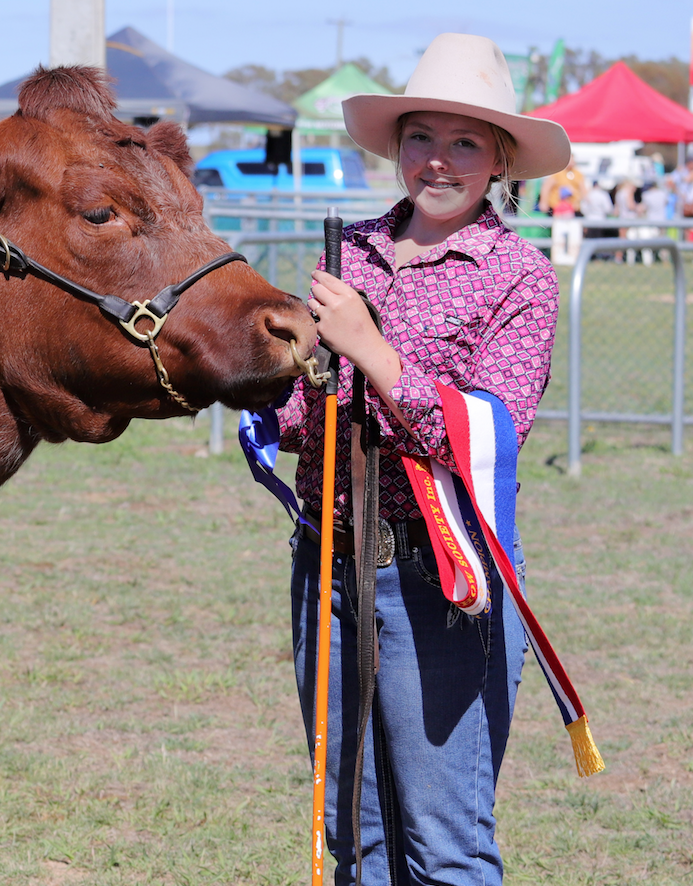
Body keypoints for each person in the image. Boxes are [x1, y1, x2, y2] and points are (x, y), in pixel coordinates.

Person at [275, 33, 572, 886]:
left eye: (465, 141)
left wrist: (371, 349)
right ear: (395, 145)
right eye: (420, 137)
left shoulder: (519, 275)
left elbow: (488, 436)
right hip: (326, 565)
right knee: (354, 841)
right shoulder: (349, 250)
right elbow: (302, 412)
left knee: (444, 850)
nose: (437, 160)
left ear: (502, 159)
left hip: (444, 583)